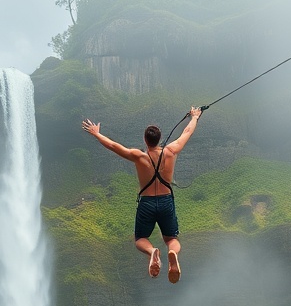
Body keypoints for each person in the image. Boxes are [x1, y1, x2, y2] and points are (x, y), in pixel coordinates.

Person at [82, 107, 203, 283]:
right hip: (166, 201)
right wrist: (194, 117)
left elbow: (114, 146)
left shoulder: (138, 156)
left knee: (140, 239)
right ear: (159, 139)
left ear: (145, 140)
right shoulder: (171, 151)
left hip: (146, 203)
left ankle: (152, 251)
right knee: (171, 239)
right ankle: (172, 253)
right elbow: (186, 132)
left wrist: (96, 133)